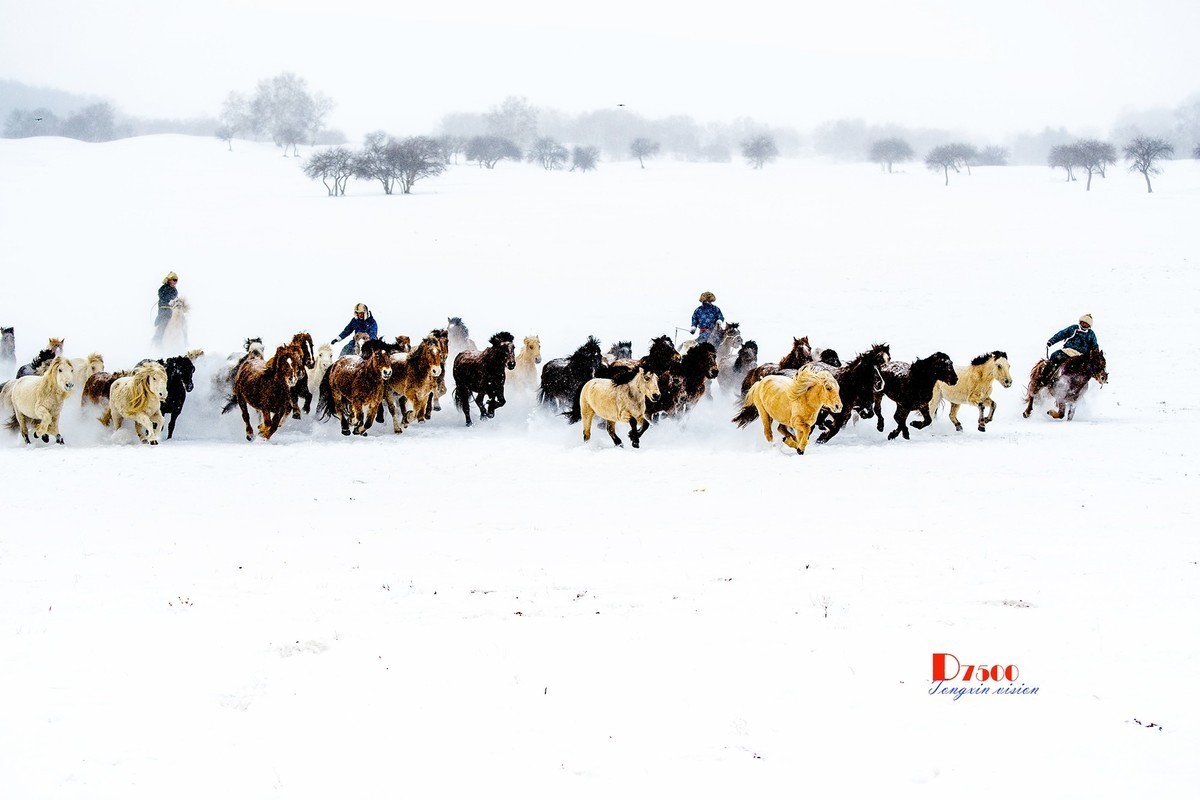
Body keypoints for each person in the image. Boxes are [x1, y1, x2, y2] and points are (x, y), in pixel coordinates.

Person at [1043, 313, 1098, 379]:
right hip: (1067, 351)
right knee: (1055, 355)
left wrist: (1096, 354)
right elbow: (1062, 334)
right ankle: (1045, 377)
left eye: (1086, 323)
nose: (1084, 324)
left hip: (1081, 356)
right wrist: (1051, 341)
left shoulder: (1091, 334)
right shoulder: (1074, 328)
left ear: (1089, 325)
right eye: (1082, 322)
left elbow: (1095, 346)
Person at [153, 272, 179, 345]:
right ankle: (158, 339)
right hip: (164, 310)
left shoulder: (175, 290)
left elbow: (176, 298)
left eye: (176, 280)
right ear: (169, 280)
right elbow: (162, 297)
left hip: (172, 310)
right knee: (164, 322)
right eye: (174, 280)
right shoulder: (163, 288)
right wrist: (169, 300)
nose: (175, 282)